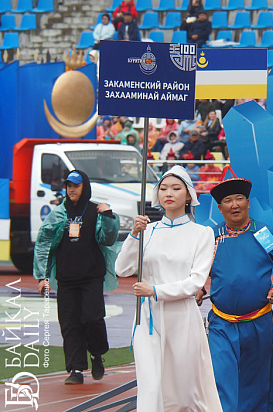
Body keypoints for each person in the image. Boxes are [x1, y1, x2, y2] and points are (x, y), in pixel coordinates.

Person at [115, 166, 222, 410]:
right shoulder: (147, 230)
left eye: (176, 188)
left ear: (188, 196)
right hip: (147, 319)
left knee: (184, 392)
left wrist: (156, 290)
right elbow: (122, 269)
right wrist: (133, 236)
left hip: (182, 316)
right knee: (150, 387)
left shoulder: (201, 233)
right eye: (163, 189)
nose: (169, 193)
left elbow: (196, 281)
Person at [206, 176, 273, 410]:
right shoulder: (211, 238)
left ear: (248, 203)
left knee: (256, 385)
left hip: (258, 323)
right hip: (220, 324)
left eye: (239, 199)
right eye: (228, 200)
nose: (234, 205)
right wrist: (196, 287)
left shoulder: (264, 234)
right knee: (221, 377)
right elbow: (196, 271)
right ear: (220, 208)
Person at [34, 170, 120, 384]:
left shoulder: (96, 211)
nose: (72, 189)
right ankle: (76, 370)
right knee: (70, 323)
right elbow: (44, 243)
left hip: (92, 276)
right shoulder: (58, 214)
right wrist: (42, 277)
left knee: (92, 319)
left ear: (85, 187)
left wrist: (109, 216)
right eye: (69, 186)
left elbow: (108, 239)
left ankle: (96, 354)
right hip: (66, 278)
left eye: (76, 185)